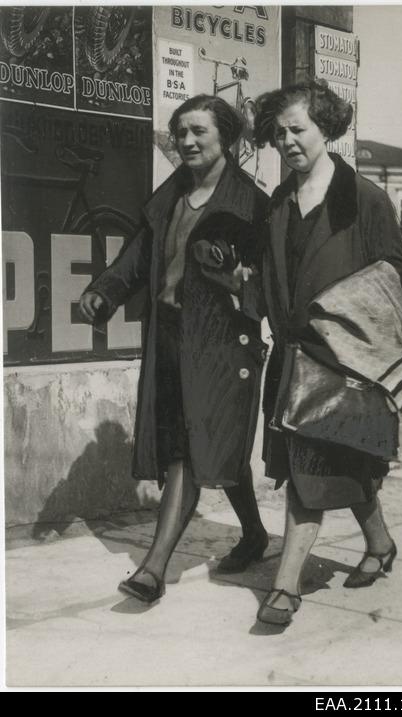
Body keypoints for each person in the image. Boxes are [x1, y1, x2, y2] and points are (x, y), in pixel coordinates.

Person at [238, 80, 402, 625]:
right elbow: (268, 280)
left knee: (310, 472)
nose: (289, 141)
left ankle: (285, 586)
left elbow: (392, 274)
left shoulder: (364, 199)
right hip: (293, 358)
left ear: (327, 128)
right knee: (338, 464)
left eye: (298, 128)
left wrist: (339, 314)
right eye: (279, 134)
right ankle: (381, 544)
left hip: (345, 362)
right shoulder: (278, 203)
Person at [79, 95, 270, 604]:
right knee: (214, 446)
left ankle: (153, 568)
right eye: (180, 131)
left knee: (188, 450)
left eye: (198, 132)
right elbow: (137, 255)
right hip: (169, 337)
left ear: (225, 137)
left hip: (224, 346)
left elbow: (270, 288)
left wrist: (238, 283)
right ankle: (254, 534)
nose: (186, 141)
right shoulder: (172, 196)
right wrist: (106, 290)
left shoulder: (252, 205)